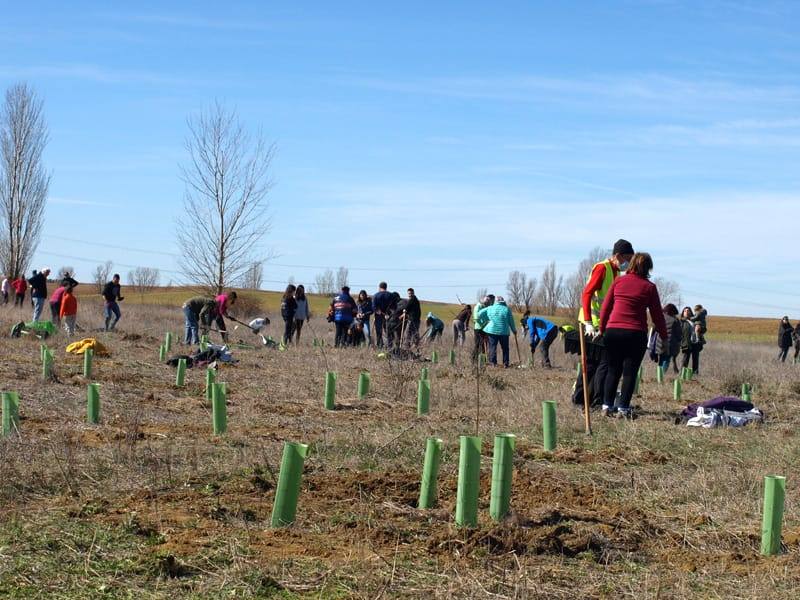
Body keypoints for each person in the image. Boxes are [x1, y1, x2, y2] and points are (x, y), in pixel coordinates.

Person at [599, 253, 667, 419]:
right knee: (630, 372)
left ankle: (607, 406)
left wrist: (602, 329)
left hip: (613, 332)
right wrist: (664, 336)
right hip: (635, 334)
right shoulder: (649, 287)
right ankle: (623, 408)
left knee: (613, 369)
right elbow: (657, 315)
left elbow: (606, 307)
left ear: (631, 265)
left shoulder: (618, 281)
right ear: (648, 268)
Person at [572, 239, 635, 408]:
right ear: (617, 256)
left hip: (603, 325)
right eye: (627, 259)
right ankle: (582, 399)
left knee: (602, 364)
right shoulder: (602, 268)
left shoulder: (616, 273)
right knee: (594, 364)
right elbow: (587, 294)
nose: (628, 263)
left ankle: (592, 400)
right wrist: (587, 322)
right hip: (591, 325)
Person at [477, 296, 516, 367]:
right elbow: (511, 321)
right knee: (505, 348)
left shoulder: (490, 308)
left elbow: (479, 314)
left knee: (492, 347)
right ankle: (505, 363)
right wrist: (514, 330)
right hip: (504, 332)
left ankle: (493, 363)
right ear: (503, 302)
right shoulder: (507, 309)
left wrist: (485, 321)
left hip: (492, 331)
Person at [649, 304, 681, 374]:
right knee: (667, 359)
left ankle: (658, 375)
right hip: (670, 343)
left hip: (659, 342)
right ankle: (662, 374)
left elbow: (654, 328)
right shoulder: (675, 320)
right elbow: (679, 334)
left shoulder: (660, 317)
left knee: (661, 359)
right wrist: (679, 341)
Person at [679, 306, 704, 375]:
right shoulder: (681, 322)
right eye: (685, 311)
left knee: (695, 361)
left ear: (691, 312)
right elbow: (678, 333)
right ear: (683, 313)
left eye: (688, 310)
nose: (686, 312)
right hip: (686, 343)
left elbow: (704, 329)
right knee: (685, 360)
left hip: (696, 343)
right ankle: (682, 376)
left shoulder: (696, 321)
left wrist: (700, 328)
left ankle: (695, 376)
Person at [472, 295, 494, 361]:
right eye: (487, 303)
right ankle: (474, 359)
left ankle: (483, 360)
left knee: (484, 345)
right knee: (478, 344)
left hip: (485, 328)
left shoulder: (485, 307)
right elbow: (476, 318)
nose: (487, 305)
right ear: (484, 302)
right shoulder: (478, 306)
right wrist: (482, 324)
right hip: (479, 328)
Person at [372, 282, 392, 348]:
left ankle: (380, 346)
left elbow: (374, 307)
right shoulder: (391, 295)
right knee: (388, 332)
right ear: (386, 287)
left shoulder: (376, 295)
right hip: (389, 316)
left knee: (379, 332)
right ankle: (389, 346)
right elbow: (394, 307)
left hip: (378, 317)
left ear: (379, 287)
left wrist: (379, 312)